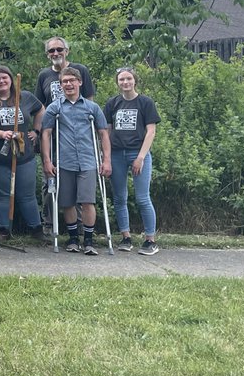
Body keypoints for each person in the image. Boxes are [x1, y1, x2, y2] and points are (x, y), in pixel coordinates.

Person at [41, 67, 111, 255]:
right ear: (61, 84)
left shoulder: (92, 108)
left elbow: (103, 134)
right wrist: (47, 161)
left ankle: (88, 240)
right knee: (67, 202)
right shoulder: (54, 107)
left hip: (88, 161)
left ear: (80, 82)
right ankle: (73, 239)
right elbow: (46, 135)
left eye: (72, 80)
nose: (69, 84)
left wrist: (106, 160)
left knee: (88, 202)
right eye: (65, 81)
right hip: (64, 161)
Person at [0, 65, 45, 244]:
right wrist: (2, 134)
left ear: (11, 80)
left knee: (27, 194)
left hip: (23, 156)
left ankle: (36, 230)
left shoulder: (25, 97)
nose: (1, 81)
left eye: (4, 78)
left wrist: (36, 131)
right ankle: (3, 230)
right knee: (2, 195)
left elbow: (41, 110)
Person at [104, 66, 160, 255]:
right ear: (117, 82)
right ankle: (126, 236)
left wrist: (141, 157)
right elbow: (106, 132)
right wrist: (107, 158)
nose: (125, 82)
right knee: (120, 198)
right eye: (121, 80)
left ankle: (150, 240)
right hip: (117, 154)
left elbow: (151, 131)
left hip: (138, 153)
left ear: (135, 80)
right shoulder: (112, 103)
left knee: (142, 198)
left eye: (128, 79)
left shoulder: (145, 103)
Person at [35, 36, 95, 106]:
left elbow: (89, 99)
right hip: (53, 116)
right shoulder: (43, 75)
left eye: (59, 49)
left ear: (66, 52)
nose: (56, 53)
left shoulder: (80, 70)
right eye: (51, 51)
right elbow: (40, 105)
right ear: (48, 55)